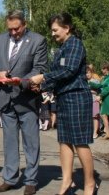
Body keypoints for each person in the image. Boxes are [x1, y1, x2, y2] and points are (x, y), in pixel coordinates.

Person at [30, 12, 97, 195]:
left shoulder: (75, 44)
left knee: (80, 142)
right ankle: (67, 181)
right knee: (64, 141)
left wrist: (43, 77)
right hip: (64, 98)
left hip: (77, 97)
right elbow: (58, 77)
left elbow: (69, 70)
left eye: (55, 30)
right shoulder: (61, 48)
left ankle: (89, 183)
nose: (52, 34)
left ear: (67, 28)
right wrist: (41, 86)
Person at [0, 10, 47, 195]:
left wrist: (20, 81)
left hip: (27, 99)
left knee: (31, 142)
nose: (13, 33)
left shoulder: (38, 41)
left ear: (24, 24)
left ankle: (31, 180)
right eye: (10, 29)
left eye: (17, 29)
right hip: (6, 100)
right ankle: (10, 179)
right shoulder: (0, 40)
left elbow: (40, 68)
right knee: (10, 142)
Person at [90, 62, 109, 141]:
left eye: (103, 69)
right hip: (105, 97)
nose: (102, 70)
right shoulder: (105, 77)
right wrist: (90, 82)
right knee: (103, 115)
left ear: (107, 68)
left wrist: (101, 95)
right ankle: (108, 133)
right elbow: (100, 85)